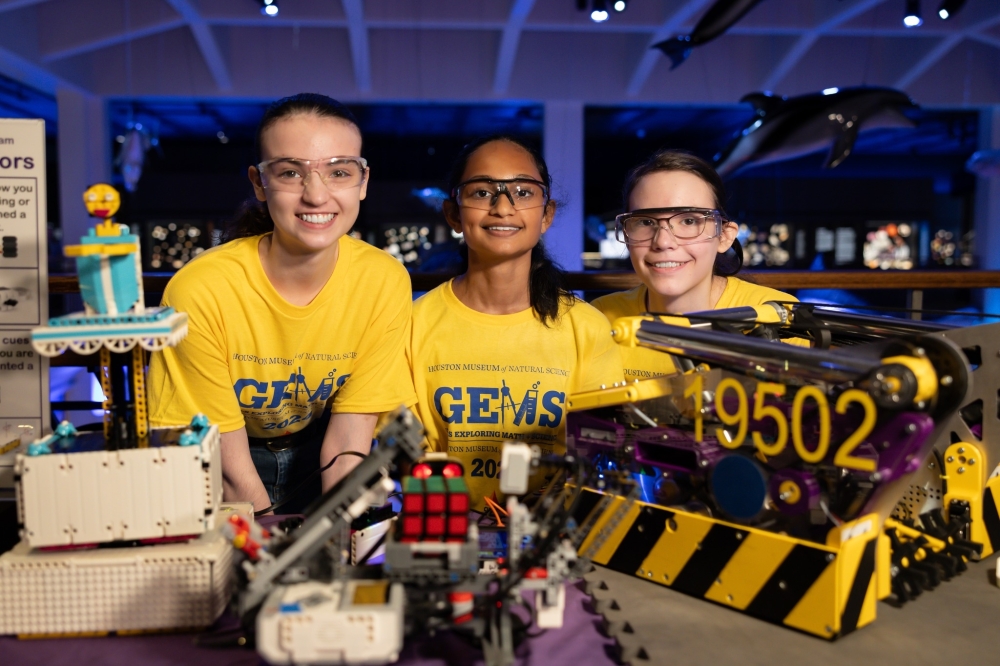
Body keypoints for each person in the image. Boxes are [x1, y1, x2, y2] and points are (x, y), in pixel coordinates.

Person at [148, 93, 415, 514]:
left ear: (362, 182)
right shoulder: (201, 289)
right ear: (259, 182)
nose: (316, 195)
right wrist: (271, 548)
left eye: (339, 171)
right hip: (222, 461)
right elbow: (228, 466)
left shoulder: (382, 280)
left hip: (317, 452)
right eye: (291, 172)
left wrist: (347, 535)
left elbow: (348, 443)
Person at [408, 135, 624, 511]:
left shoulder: (586, 328)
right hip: (446, 527)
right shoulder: (413, 323)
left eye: (523, 192)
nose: (503, 207)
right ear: (454, 214)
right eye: (481, 192)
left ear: (547, 214)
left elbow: (597, 453)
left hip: (555, 529)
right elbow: (409, 452)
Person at [591, 150, 803, 382]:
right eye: (645, 222)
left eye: (689, 221)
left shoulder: (775, 316)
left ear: (724, 236)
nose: (663, 242)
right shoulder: (600, 318)